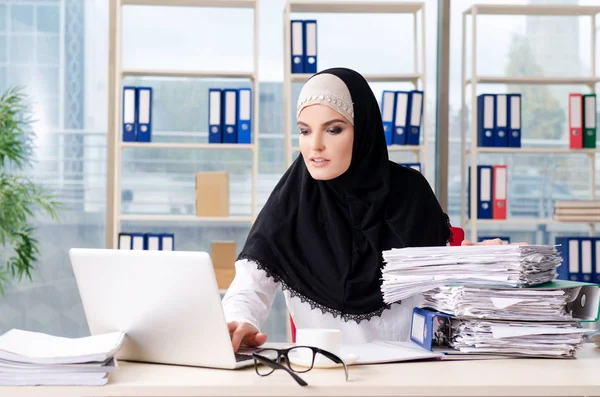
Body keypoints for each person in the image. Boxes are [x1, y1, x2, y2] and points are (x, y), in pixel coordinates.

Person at [222, 67, 499, 352]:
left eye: (333, 129)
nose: (315, 145)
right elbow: (249, 286)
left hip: (410, 377)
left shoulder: (410, 193)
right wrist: (239, 321)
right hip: (322, 377)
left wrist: (491, 266)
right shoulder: (292, 202)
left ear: (363, 129)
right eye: (305, 131)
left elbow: (444, 284)